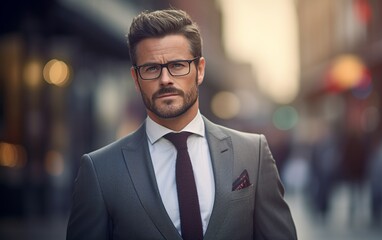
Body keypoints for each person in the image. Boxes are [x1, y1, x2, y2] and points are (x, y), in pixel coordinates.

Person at [66, 9, 297, 240]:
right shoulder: (100, 171)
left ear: (200, 70)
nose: (165, 79)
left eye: (177, 65)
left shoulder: (252, 153)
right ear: (136, 79)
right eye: (151, 68)